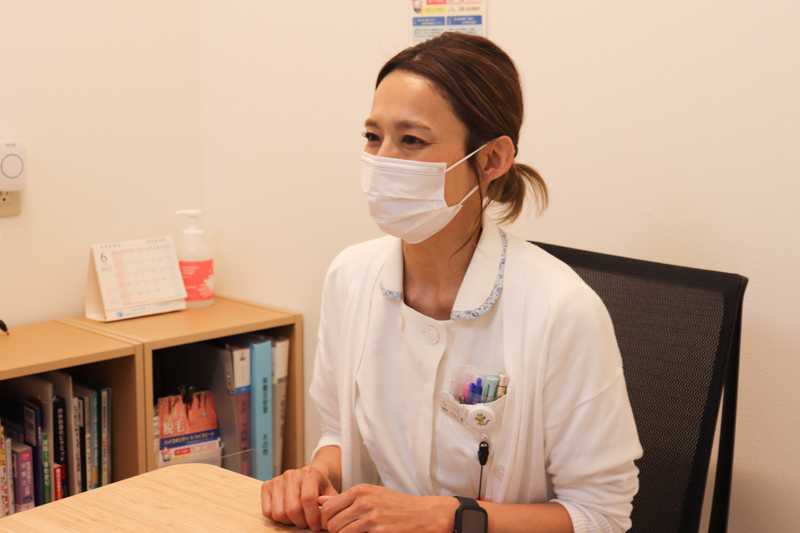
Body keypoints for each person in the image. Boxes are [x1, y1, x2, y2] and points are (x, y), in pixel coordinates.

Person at [262, 32, 643, 533]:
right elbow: (339, 432)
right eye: (373, 137)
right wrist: (315, 475)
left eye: (411, 140)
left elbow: (601, 516)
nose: (383, 160)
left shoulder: (561, 309)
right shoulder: (349, 277)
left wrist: (453, 517)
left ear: (492, 159)